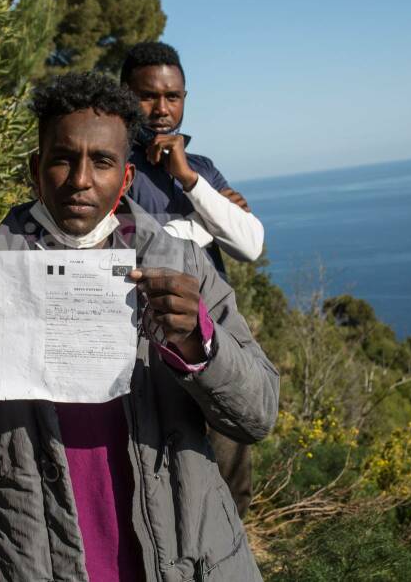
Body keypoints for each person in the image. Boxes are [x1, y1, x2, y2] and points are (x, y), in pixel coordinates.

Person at [0, 72, 280, 581]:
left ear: (126, 177)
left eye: (103, 161)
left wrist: (199, 343)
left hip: (189, 562)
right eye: (63, 158)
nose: (81, 180)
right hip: (33, 564)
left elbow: (257, 415)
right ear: (34, 169)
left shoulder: (184, 267)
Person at [121, 40, 265, 517]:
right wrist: (204, 222)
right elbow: (128, 240)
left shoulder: (200, 168)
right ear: (125, 95)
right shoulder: (115, 167)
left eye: (174, 97)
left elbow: (249, 245)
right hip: (145, 344)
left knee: (230, 465)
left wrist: (190, 179)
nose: (162, 109)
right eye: (148, 96)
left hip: (214, 338)